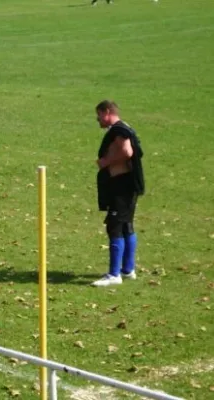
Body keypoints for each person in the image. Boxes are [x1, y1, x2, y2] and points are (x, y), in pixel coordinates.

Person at [91, 100, 145, 287]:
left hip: (122, 187)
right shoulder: (125, 128)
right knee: (125, 225)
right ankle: (128, 270)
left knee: (114, 226)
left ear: (107, 112)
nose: (97, 119)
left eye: (99, 115)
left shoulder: (119, 130)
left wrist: (106, 162)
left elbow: (127, 152)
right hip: (127, 187)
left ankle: (114, 275)